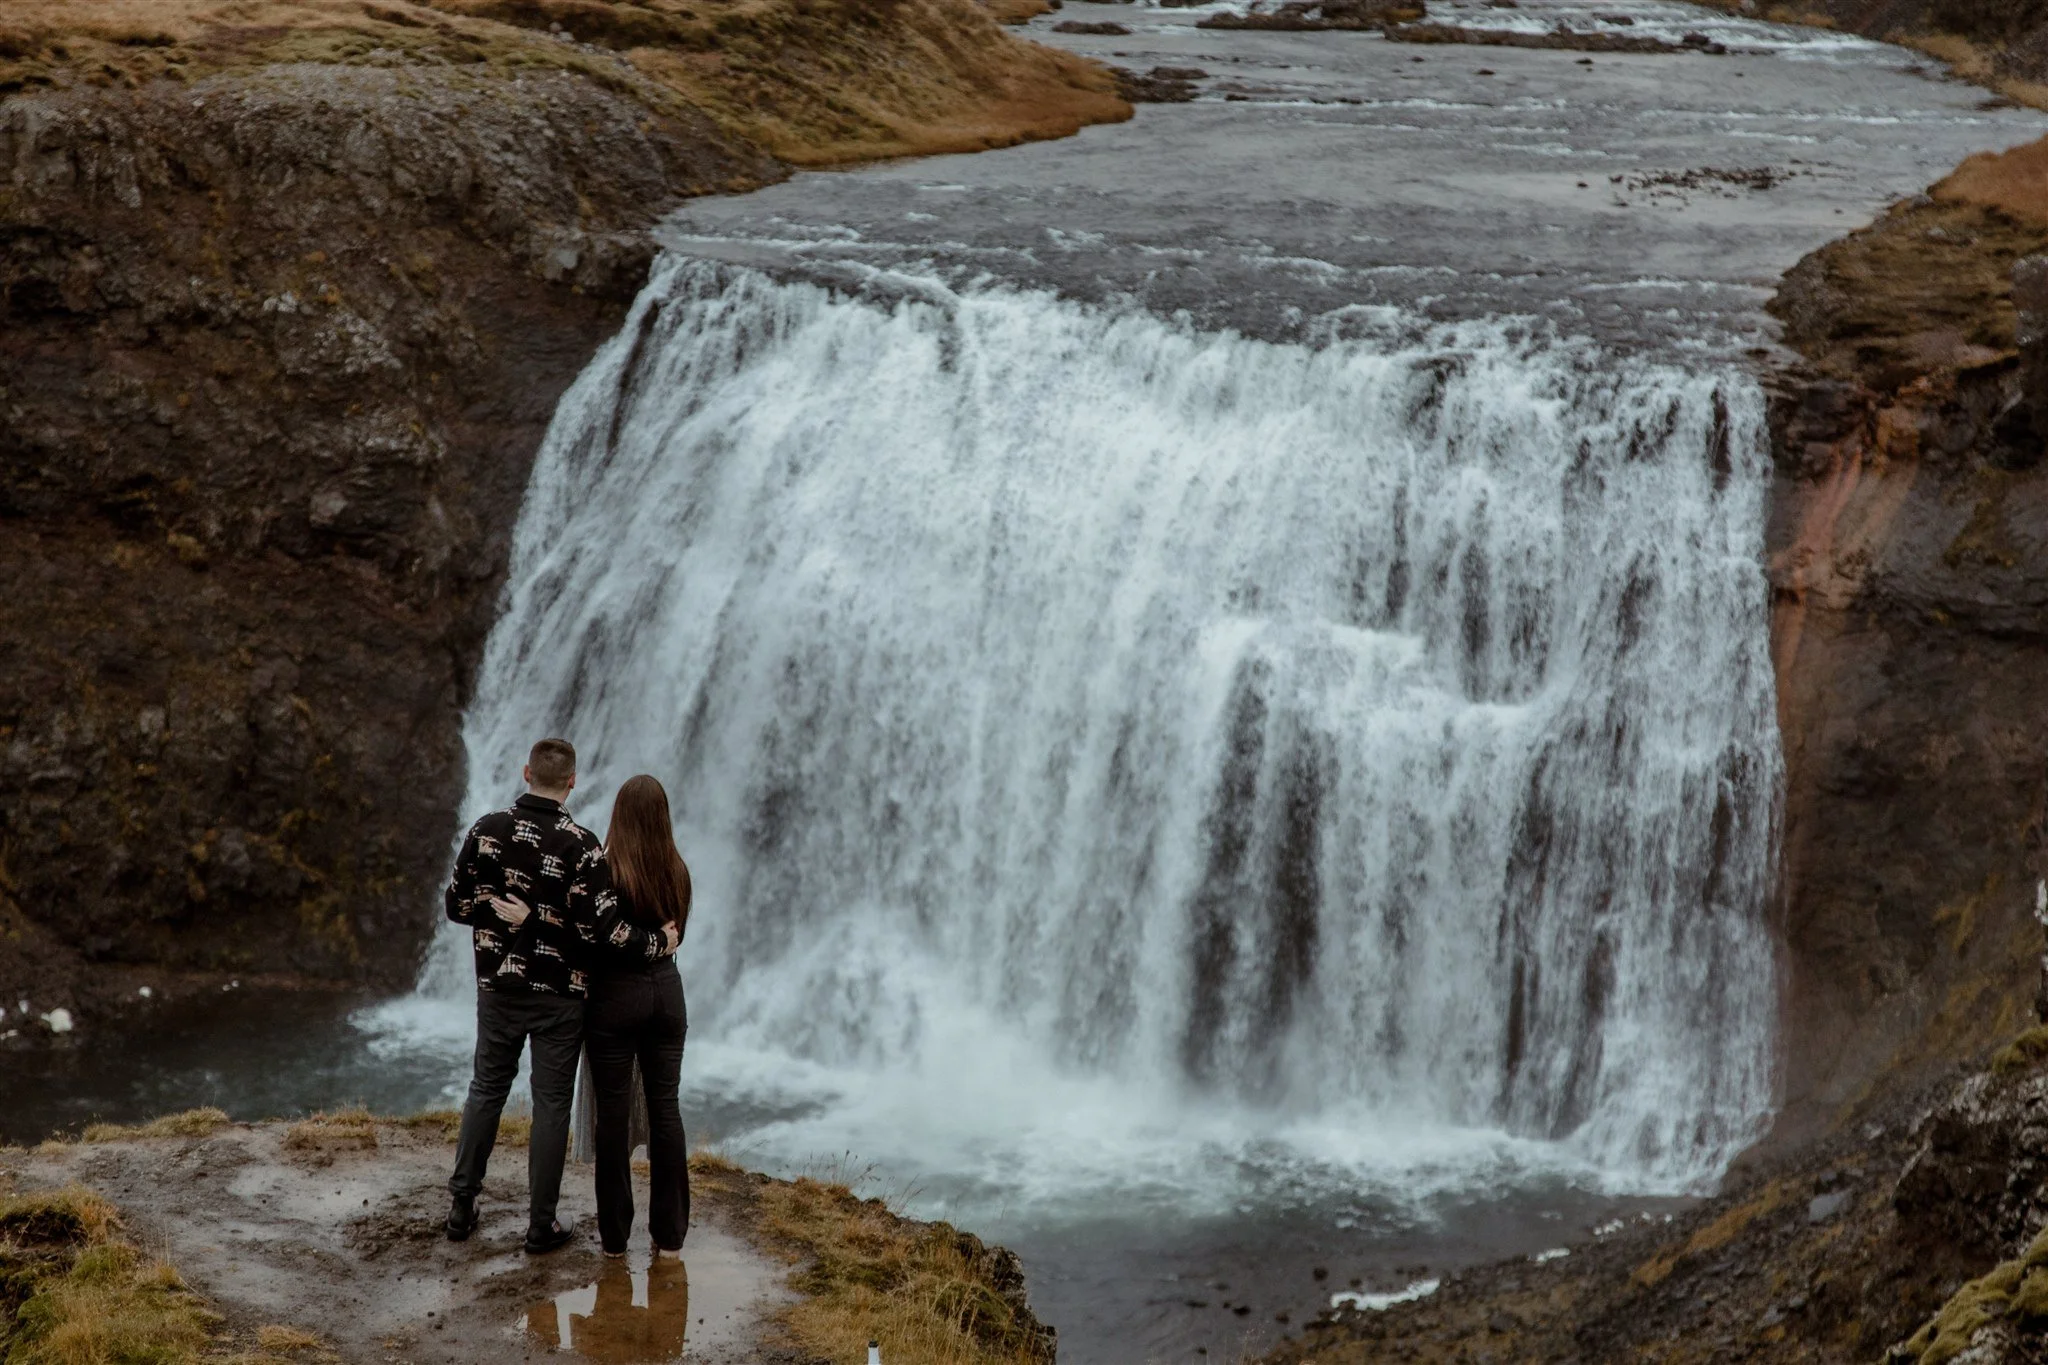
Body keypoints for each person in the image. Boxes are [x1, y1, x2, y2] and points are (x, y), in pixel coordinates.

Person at [442, 738, 676, 1254]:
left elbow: (456, 907)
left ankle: (461, 1207)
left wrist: (499, 910)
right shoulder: (582, 846)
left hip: (498, 989)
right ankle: (540, 1225)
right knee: (550, 1105)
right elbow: (606, 933)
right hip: (561, 997)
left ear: (527, 772)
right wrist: (661, 941)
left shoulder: (484, 832)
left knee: (486, 1090)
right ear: (572, 781)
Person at [582, 774, 693, 1259]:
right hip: (668, 994)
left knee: (613, 1115)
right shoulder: (678, 870)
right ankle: (669, 1234)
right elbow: (675, 936)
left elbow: (598, 937)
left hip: (615, 998)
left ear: (619, 816)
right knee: (665, 1108)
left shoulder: (605, 870)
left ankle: (614, 1237)